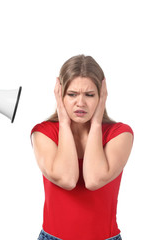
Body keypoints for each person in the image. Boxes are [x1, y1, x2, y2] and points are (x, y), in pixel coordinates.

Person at [31, 55, 133, 240]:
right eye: (72, 94)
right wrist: (63, 123)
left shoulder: (120, 134)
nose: (80, 103)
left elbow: (94, 180)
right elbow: (67, 179)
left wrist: (96, 124)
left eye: (90, 95)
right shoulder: (43, 132)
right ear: (60, 95)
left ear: (102, 96)